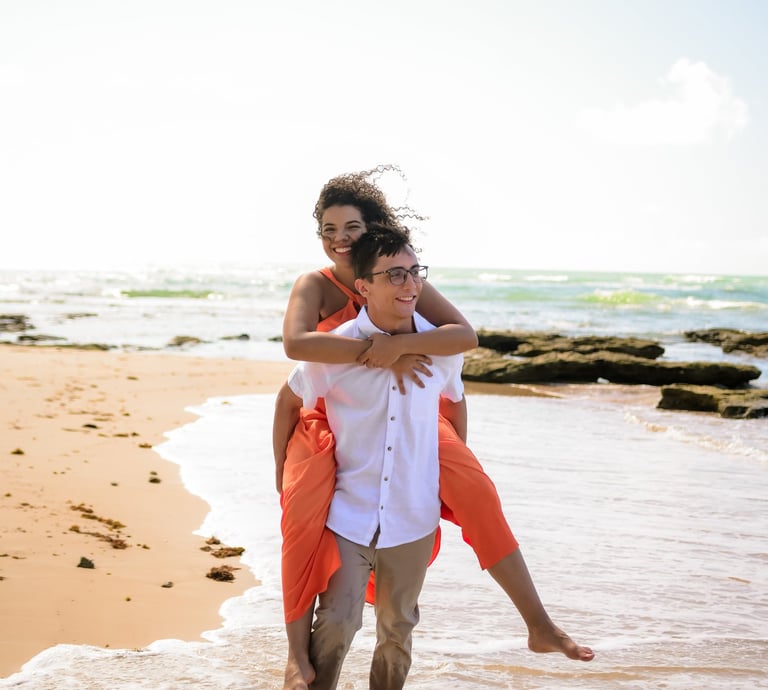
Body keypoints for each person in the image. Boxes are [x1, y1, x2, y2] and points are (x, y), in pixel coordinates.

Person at [277, 167, 594, 690]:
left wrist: (402, 347)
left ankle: (538, 623)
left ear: (373, 227)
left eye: (352, 227)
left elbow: (462, 335)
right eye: (329, 230)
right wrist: (379, 353)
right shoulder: (317, 283)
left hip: (407, 410)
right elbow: (297, 347)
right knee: (302, 510)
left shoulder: (401, 276)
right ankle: (297, 655)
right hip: (332, 410)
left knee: (475, 489)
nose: (341, 239)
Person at [274, 226, 465, 689]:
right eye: (395, 274)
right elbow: (288, 400)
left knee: (397, 631)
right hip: (349, 514)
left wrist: (452, 471)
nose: (410, 284)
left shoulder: (441, 350)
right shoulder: (335, 349)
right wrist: (282, 471)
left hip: (413, 516)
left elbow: (456, 402)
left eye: (415, 272)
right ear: (364, 286)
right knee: (337, 622)